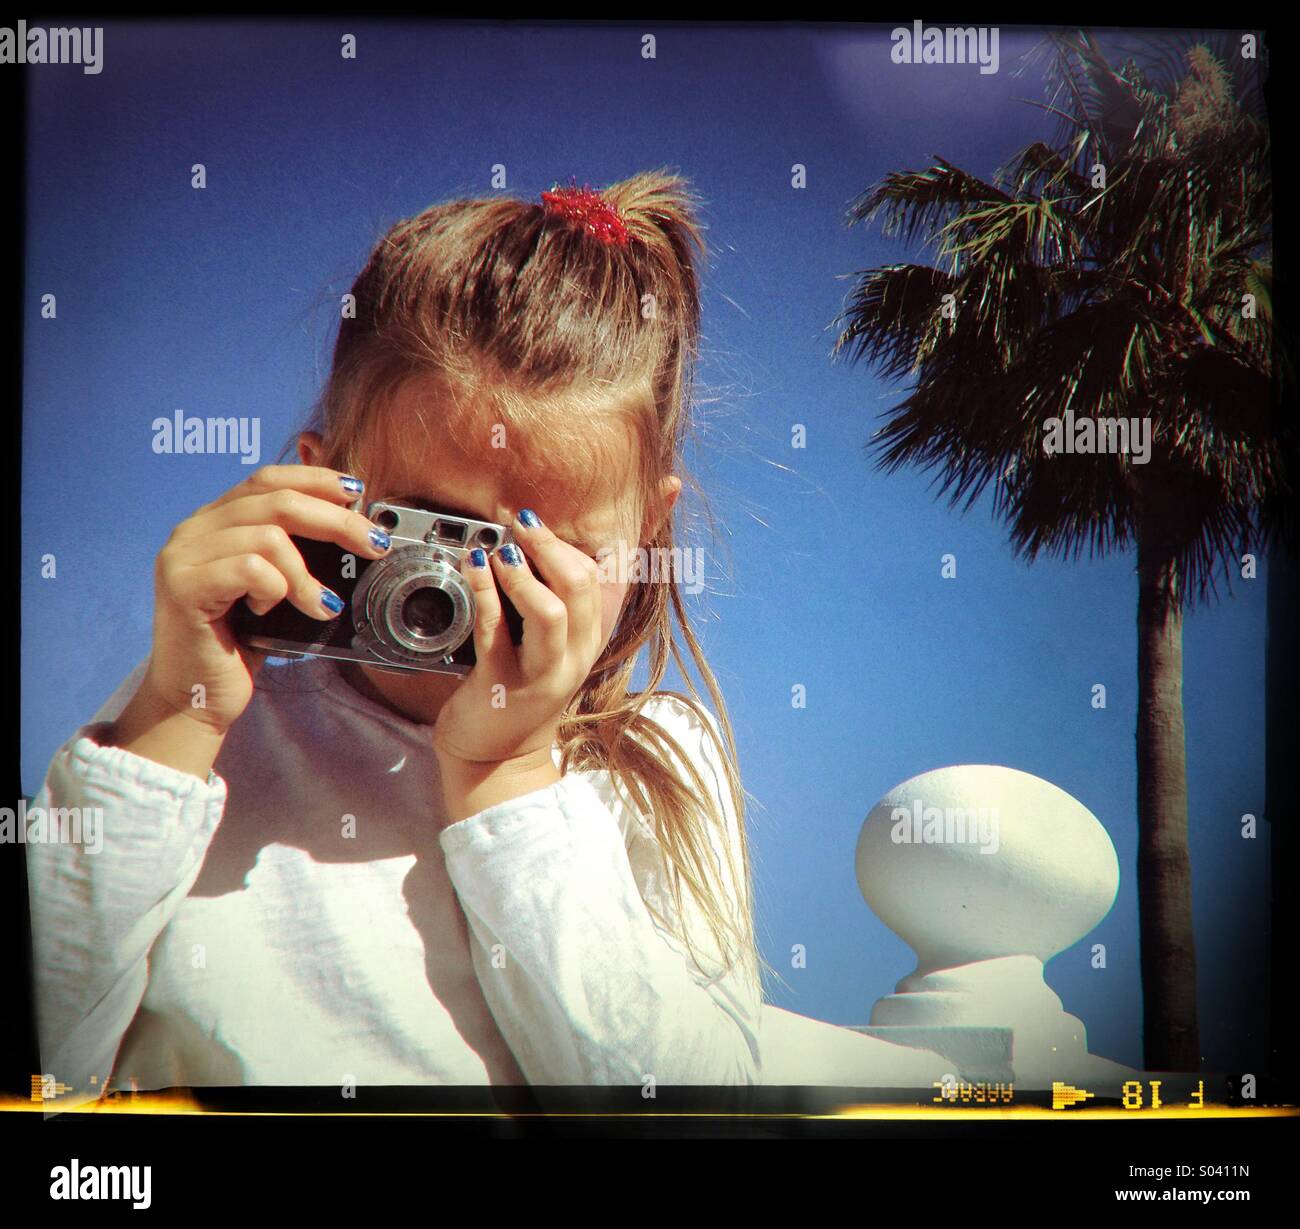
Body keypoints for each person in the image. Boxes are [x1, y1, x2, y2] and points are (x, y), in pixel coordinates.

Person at [26, 170, 766, 1109]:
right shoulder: (206, 740)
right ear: (320, 488)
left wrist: (509, 773)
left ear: (646, 537)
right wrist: (176, 714)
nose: (479, 597)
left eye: (547, 557)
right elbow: (46, 1076)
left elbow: (701, 1111)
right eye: (429, 529)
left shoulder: (654, 765)